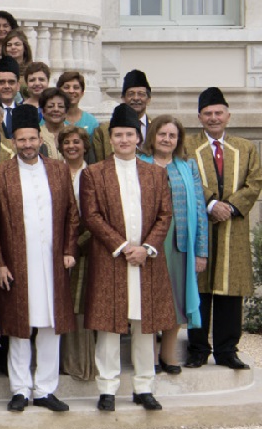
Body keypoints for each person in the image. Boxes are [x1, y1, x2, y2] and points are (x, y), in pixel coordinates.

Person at [81, 103, 174, 412]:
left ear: (139, 137)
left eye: (129, 134)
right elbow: (91, 217)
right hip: (112, 259)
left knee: (144, 326)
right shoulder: (94, 173)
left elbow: (164, 215)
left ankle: (144, 387)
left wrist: (146, 248)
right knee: (109, 326)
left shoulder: (155, 174)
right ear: (110, 138)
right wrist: (122, 246)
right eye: (118, 134)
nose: (123, 140)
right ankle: (107, 388)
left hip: (146, 261)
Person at [0, 105, 79, 413]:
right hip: (16, 263)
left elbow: (72, 215)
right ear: (12, 142)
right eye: (21, 140)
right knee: (18, 327)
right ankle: (19, 389)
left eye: (31, 138)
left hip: (53, 262)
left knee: (51, 326)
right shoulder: (0, 173)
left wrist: (69, 250)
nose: (27, 144)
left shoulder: (58, 169)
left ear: (40, 139)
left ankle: (44, 389)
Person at [185, 87, 262, 370]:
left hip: (234, 225)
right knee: (199, 286)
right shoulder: (187, 147)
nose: (214, 118)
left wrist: (229, 206)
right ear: (199, 117)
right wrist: (210, 204)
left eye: (218, 113)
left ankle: (227, 350)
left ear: (228, 116)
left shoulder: (246, 147)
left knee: (231, 289)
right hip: (199, 224)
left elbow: (255, 182)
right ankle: (197, 349)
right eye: (208, 113)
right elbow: (186, 179)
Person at [140, 115, 208, 374]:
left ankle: (168, 356)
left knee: (177, 300)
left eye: (172, 135)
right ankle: (150, 358)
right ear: (152, 136)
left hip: (180, 244)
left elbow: (199, 210)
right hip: (149, 244)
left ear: (178, 140)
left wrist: (201, 251)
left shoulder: (187, 166)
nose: (167, 139)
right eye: (162, 134)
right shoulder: (139, 163)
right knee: (149, 300)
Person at [58, 125, 97, 381]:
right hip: (55, 250)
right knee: (59, 304)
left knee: (80, 304)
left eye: (76, 142)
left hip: (85, 248)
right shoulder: (54, 172)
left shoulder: (93, 174)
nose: (72, 146)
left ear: (85, 145)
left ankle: (79, 362)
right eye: (67, 143)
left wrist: (76, 244)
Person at [56, 71, 99, 135]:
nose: (71, 91)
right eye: (66, 87)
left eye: (76, 87)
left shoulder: (91, 122)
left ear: (82, 93)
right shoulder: (50, 119)